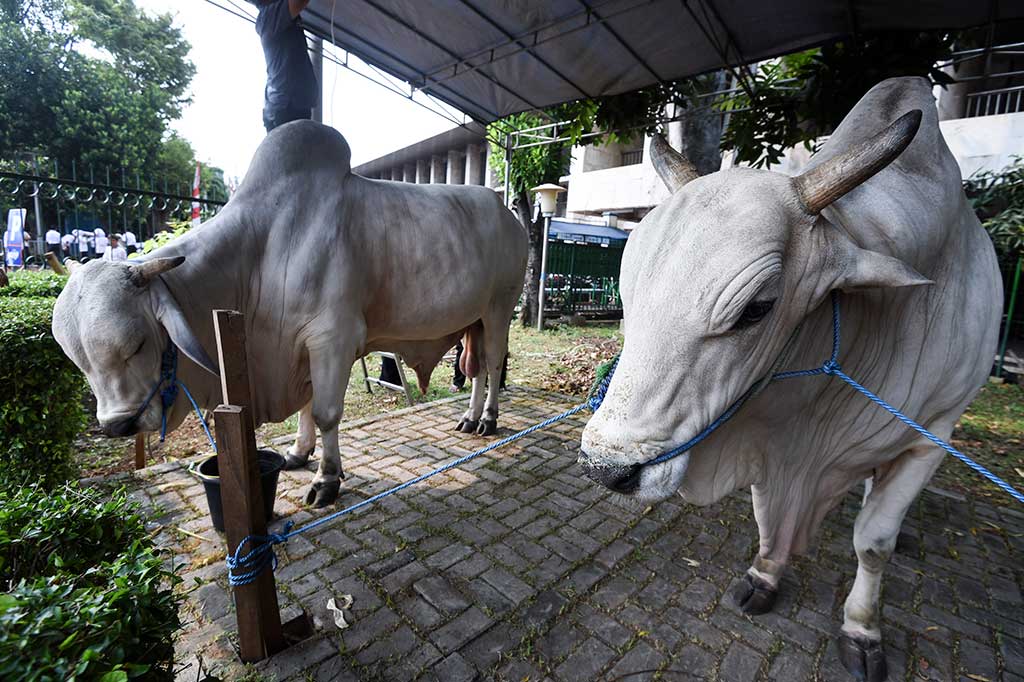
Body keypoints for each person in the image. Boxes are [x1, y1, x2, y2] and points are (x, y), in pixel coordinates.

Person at [255, 0, 318, 133]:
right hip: (286, 107)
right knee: (296, 152)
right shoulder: (270, 15)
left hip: (290, 105)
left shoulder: (276, 16)